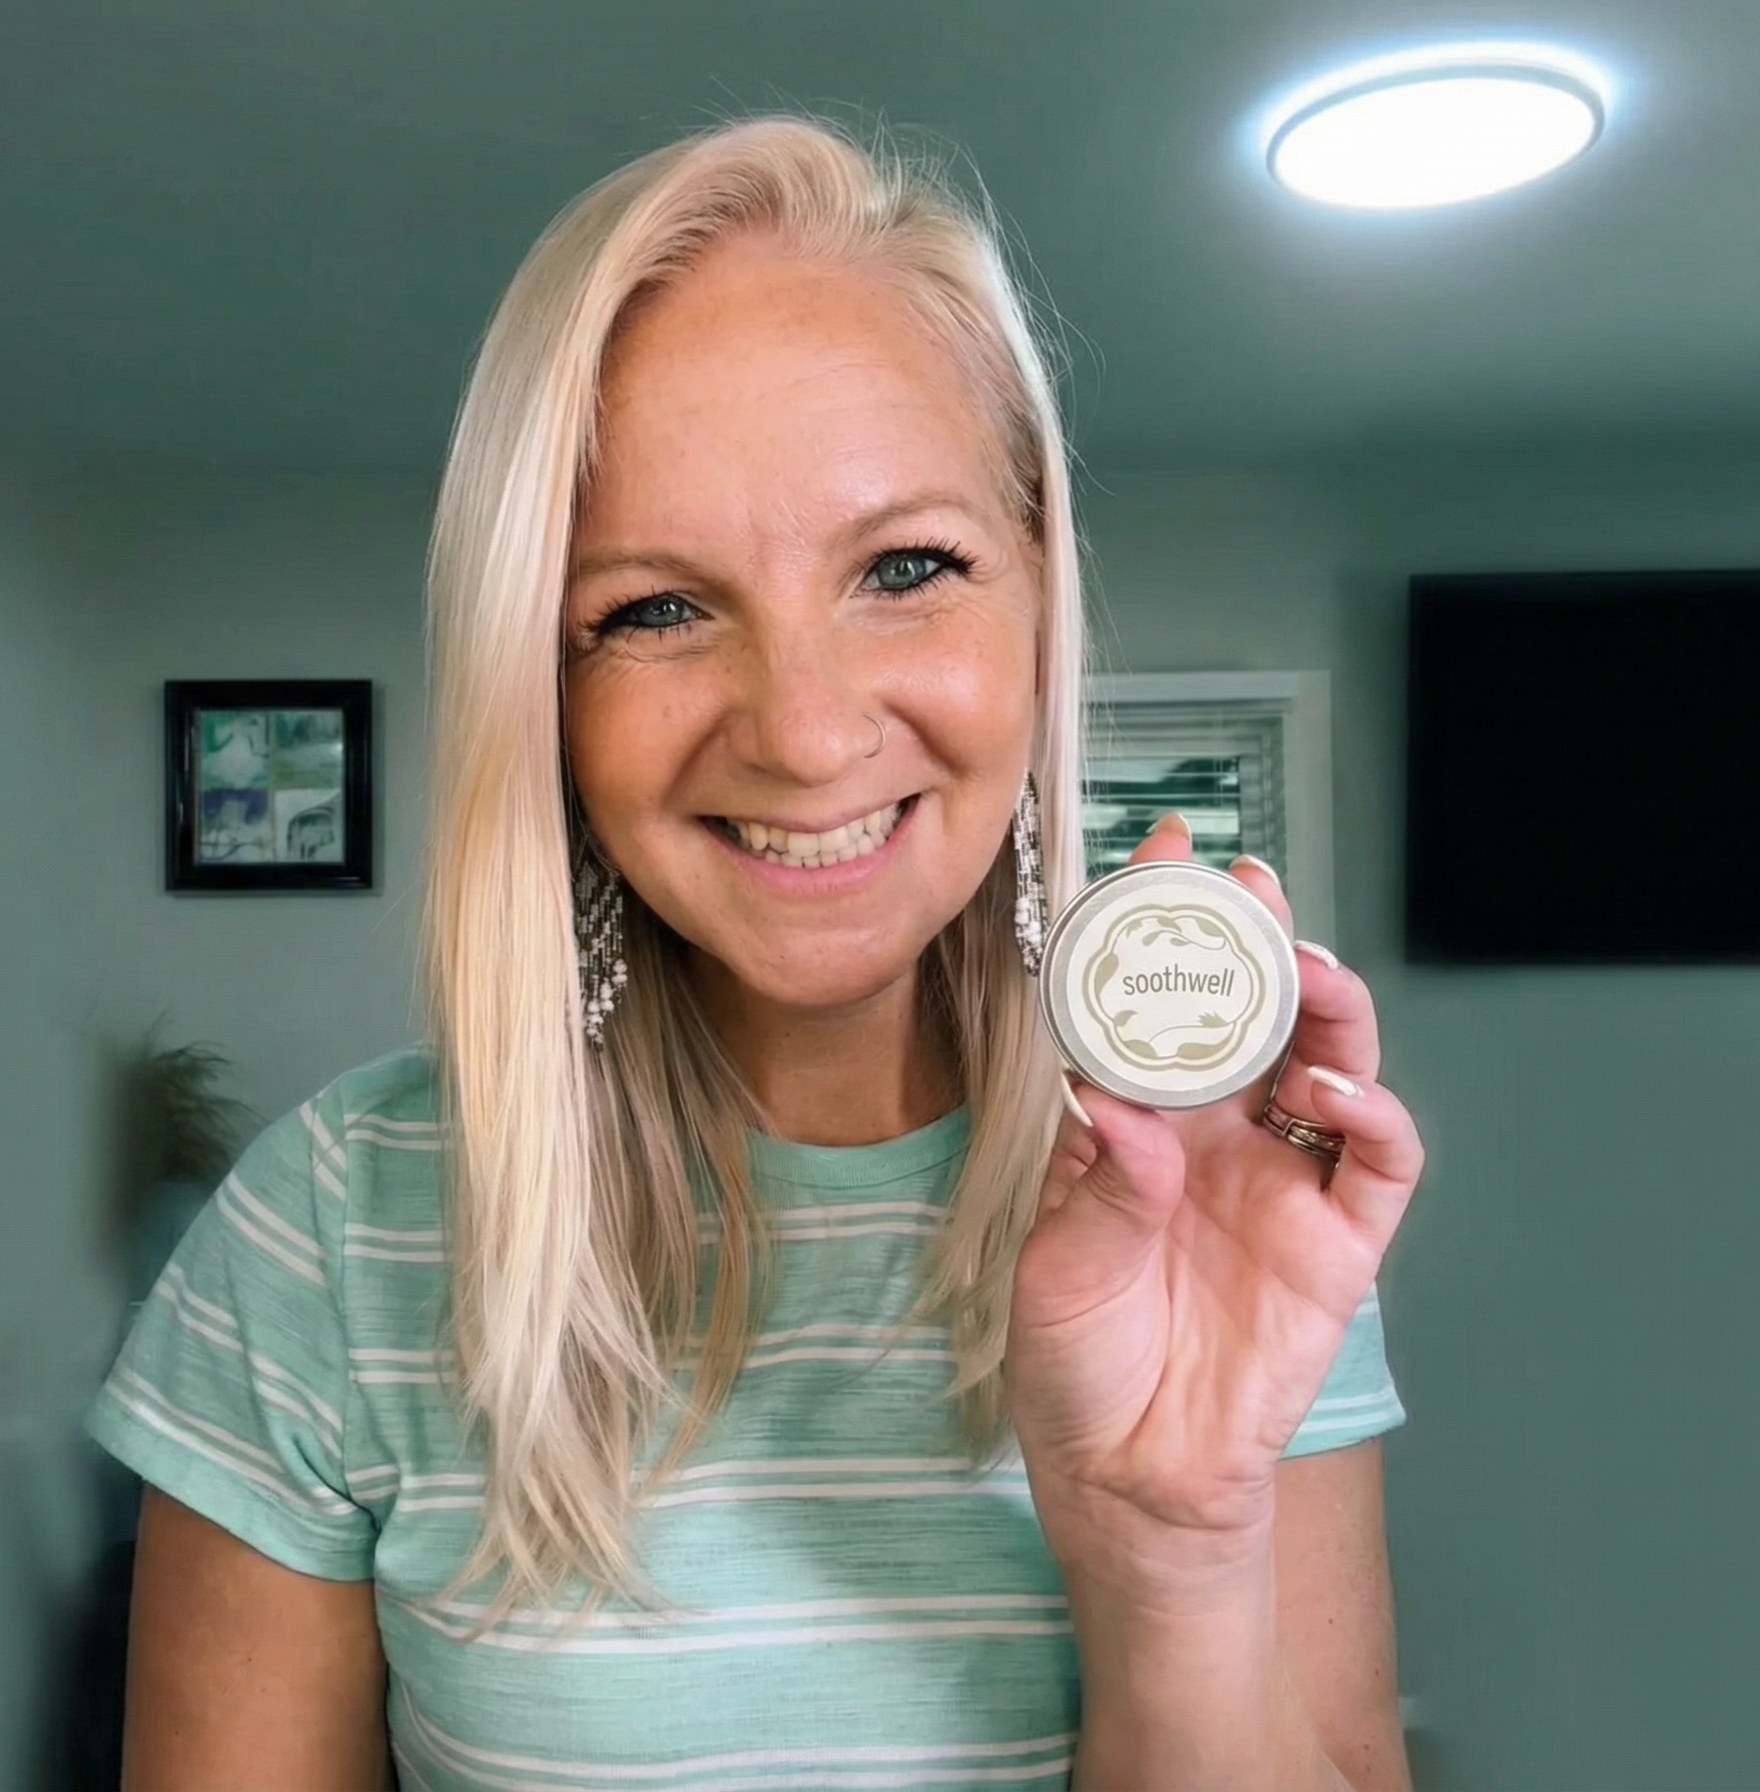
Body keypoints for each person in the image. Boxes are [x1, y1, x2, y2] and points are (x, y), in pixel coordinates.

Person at [89, 115, 1424, 1791]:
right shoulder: (328, 1237)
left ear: (1036, 595)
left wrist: (1174, 1545)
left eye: (907, 568)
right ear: (544, 690)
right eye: (654, 609)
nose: (802, 733)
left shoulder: (1235, 1210)